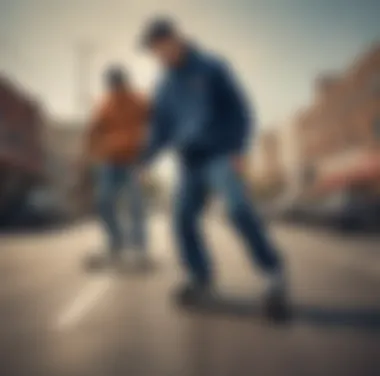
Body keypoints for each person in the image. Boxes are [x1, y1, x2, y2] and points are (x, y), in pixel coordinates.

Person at [138, 17, 287, 308]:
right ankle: (200, 278)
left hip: (220, 154)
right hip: (189, 162)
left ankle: (273, 273)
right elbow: (160, 130)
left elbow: (240, 109)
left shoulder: (211, 67)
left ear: (175, 38)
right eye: (154, 52)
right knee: (181, 218)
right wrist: (144, 160)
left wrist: (238, 149)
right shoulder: (164, 86)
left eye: (162, 47)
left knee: (237, 208)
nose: (160, 56)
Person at [82, 66, 149, 267]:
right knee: (103, 201)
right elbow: (93, 131)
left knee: (135, 203)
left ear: (125, 83)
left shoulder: (139, 101)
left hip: (131, 161)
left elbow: (156, 122)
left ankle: (138, 248)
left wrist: (146, 151)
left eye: (119, 84)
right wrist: (92, 153)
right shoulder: (105, 104)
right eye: (113, 85)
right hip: (109, 161)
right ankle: (116, 243)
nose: (116, 89)